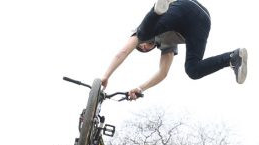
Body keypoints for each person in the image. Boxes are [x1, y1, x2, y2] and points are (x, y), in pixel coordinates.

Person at [101, 0, 248, 100]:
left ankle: (157, 11)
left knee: (143, 33)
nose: (144, 47)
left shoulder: (140, 34)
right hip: (202, 21)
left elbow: (122, 52)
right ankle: (232, 58)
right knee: (193, 70)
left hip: (183, 6)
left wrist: (106, 76)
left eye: (142, 46)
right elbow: (163, 73)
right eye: (144, 50)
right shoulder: (166, 45)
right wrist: (140, 88)